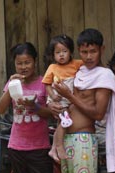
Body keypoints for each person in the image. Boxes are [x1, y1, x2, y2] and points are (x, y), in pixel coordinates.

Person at [49, 28, 115, 173]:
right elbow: (67, 102)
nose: (88, 56)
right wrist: (54, 106)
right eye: (84, 52)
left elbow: (98, 113)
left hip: (83, 140)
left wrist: (69, 95)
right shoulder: (78, 72)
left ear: (102, 50)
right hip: (65, 139)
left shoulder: (104, 76)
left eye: (93, 51)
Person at [0, 42, 56, 173]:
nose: (23, 67)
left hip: (39, 146)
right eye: (19, 64)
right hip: (16, 146)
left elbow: (53, 113)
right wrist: (11, 85)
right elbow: (0, 109)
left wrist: (34, 107)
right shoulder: (14, 83)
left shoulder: (44, 83)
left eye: (27, 62)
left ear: (35, 61)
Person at [41, 34, 83, 162]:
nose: (61, 55)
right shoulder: (52, 68)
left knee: (62, 122)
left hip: (70, 97)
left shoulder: (77, 64)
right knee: (65, 120)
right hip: (58, 98)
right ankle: (59, 147)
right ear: (53, 55)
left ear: (71, 52)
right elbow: (47, 84)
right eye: (58, 52)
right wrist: (52, 95)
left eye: (65, 51)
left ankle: (53, 148)